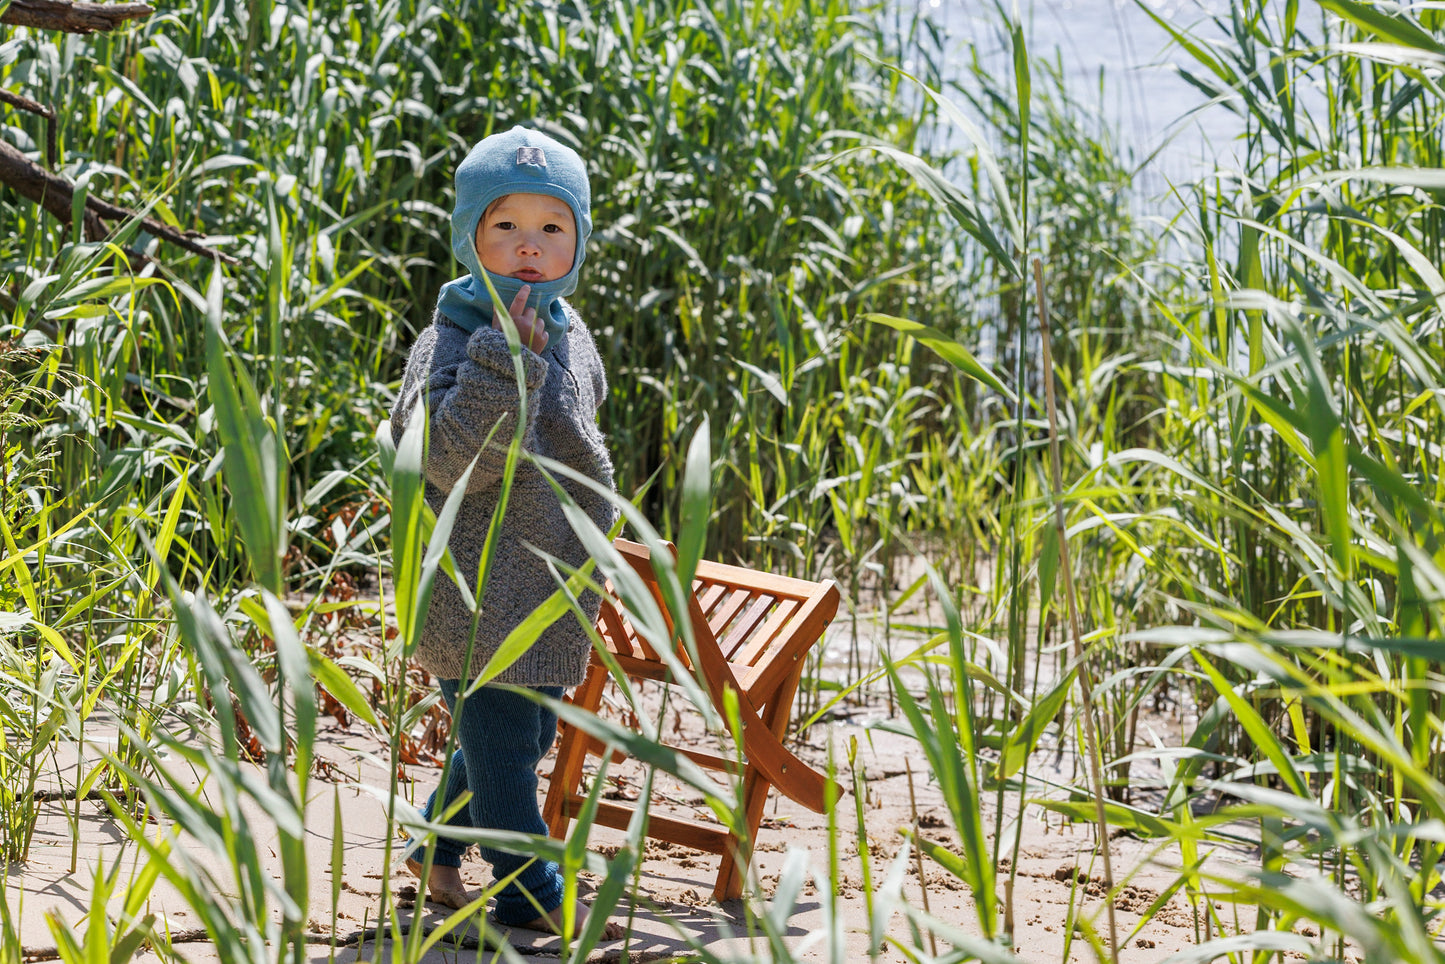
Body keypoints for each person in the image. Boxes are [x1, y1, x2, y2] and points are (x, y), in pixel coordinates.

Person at [388, 125, 623, 940]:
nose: (529, 247)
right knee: (507, 752)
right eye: (505, 226)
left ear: (577, 242)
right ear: (470, 236)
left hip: (551, 584)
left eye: (551, 228)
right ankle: (530, 890)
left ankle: (433, 856)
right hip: (477, 592)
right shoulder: (449, 340)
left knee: (513, 734)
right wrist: (502, 364)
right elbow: (448, 466)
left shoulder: (569, 329)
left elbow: (580, 437)